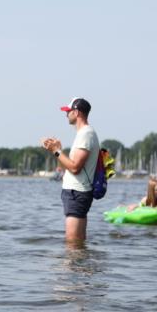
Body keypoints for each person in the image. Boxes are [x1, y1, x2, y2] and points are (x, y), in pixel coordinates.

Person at [41, 97, 100, 243]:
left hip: (77, 192)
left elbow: (75, 168)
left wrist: (56, 151)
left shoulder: (86, 134)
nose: (66, 114)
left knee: (72, 242)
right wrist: (58, 151)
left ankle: (75, 260)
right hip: (76, 192)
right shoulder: (83, 134)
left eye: (68, 111)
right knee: (77, 242)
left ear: (76, 112)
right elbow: (69, 167)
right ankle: (81, 259)